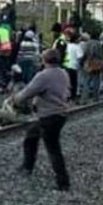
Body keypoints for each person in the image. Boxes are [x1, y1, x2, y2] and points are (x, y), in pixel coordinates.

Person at [10, 49, 71, 191]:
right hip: (60, 114)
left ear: (44, 61)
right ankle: (27, 166)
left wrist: (15, 99)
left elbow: (28, 92)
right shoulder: (63, 73)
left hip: (48, 115)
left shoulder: (43, 76)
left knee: (53, 149)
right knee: (31, 136)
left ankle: (63, 182)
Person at [79, 31, 103, 103]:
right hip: (97, 63)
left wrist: (82, 61)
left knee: (87, 81)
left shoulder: (88, 43)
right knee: (96, 80)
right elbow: (101, 54)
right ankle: (96, 97)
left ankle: (84, 99)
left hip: (89, 63)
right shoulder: (99, 44)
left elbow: (85, 53)